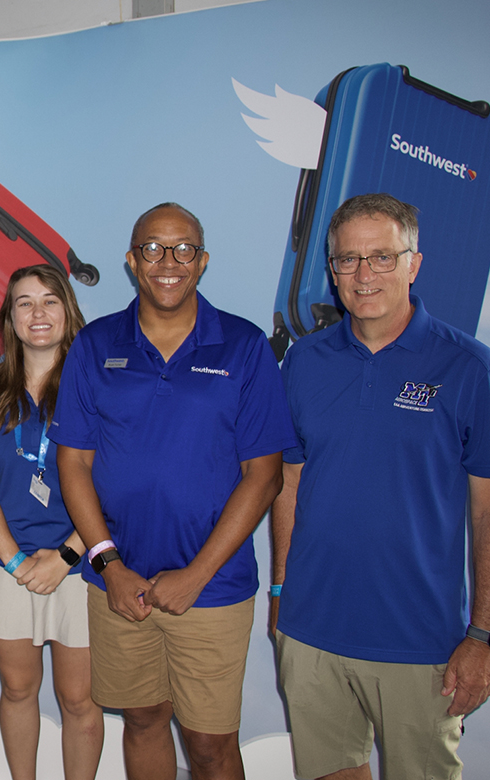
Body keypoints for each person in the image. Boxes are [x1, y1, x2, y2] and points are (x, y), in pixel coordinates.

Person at [51, 203, 296, 780]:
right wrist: (109, 565)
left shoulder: (244, 346)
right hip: (120, 584)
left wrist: (196, 574)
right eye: (153, 249)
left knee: (210, 746)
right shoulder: (94, 346)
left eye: (183, 249)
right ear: (132, 261)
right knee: (142, 720)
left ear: (203, 260)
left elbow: (264, 476)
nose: (169, 262)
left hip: (212, 587)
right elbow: (74, 464)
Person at [271, 193, 490, 780]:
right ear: (331, 269)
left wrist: (484, 635)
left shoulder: (469, 368)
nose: (364, 275)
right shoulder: (304, 361)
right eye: (348, 260)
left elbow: (487, 514)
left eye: (382, 257)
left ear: (414, 264)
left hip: (422, 641)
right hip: (313, 631)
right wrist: (281, 591)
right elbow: (289, 483)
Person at [0, 264, 103, 780]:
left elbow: (112, 479)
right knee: (19, 689)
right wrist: (12, 557)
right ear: (9, 318)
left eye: (49, 300)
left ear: (69, 311)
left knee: (78, 698)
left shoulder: (97, 383)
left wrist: (68, 554)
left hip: (81, 562)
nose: (38, 313)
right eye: (24, 302)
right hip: (10, 563)